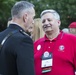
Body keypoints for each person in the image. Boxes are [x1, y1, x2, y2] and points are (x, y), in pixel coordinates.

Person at [34, 9, 76, 75]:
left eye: (49, 20)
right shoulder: (36, 44)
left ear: (58, 22)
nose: (46, 23)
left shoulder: (72, 40)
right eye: (43, 21)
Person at [0, 1, 35, 75]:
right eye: (33, 17)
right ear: (25, 17)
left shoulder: (1, 35)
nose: (33, 22)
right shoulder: (24, 40)